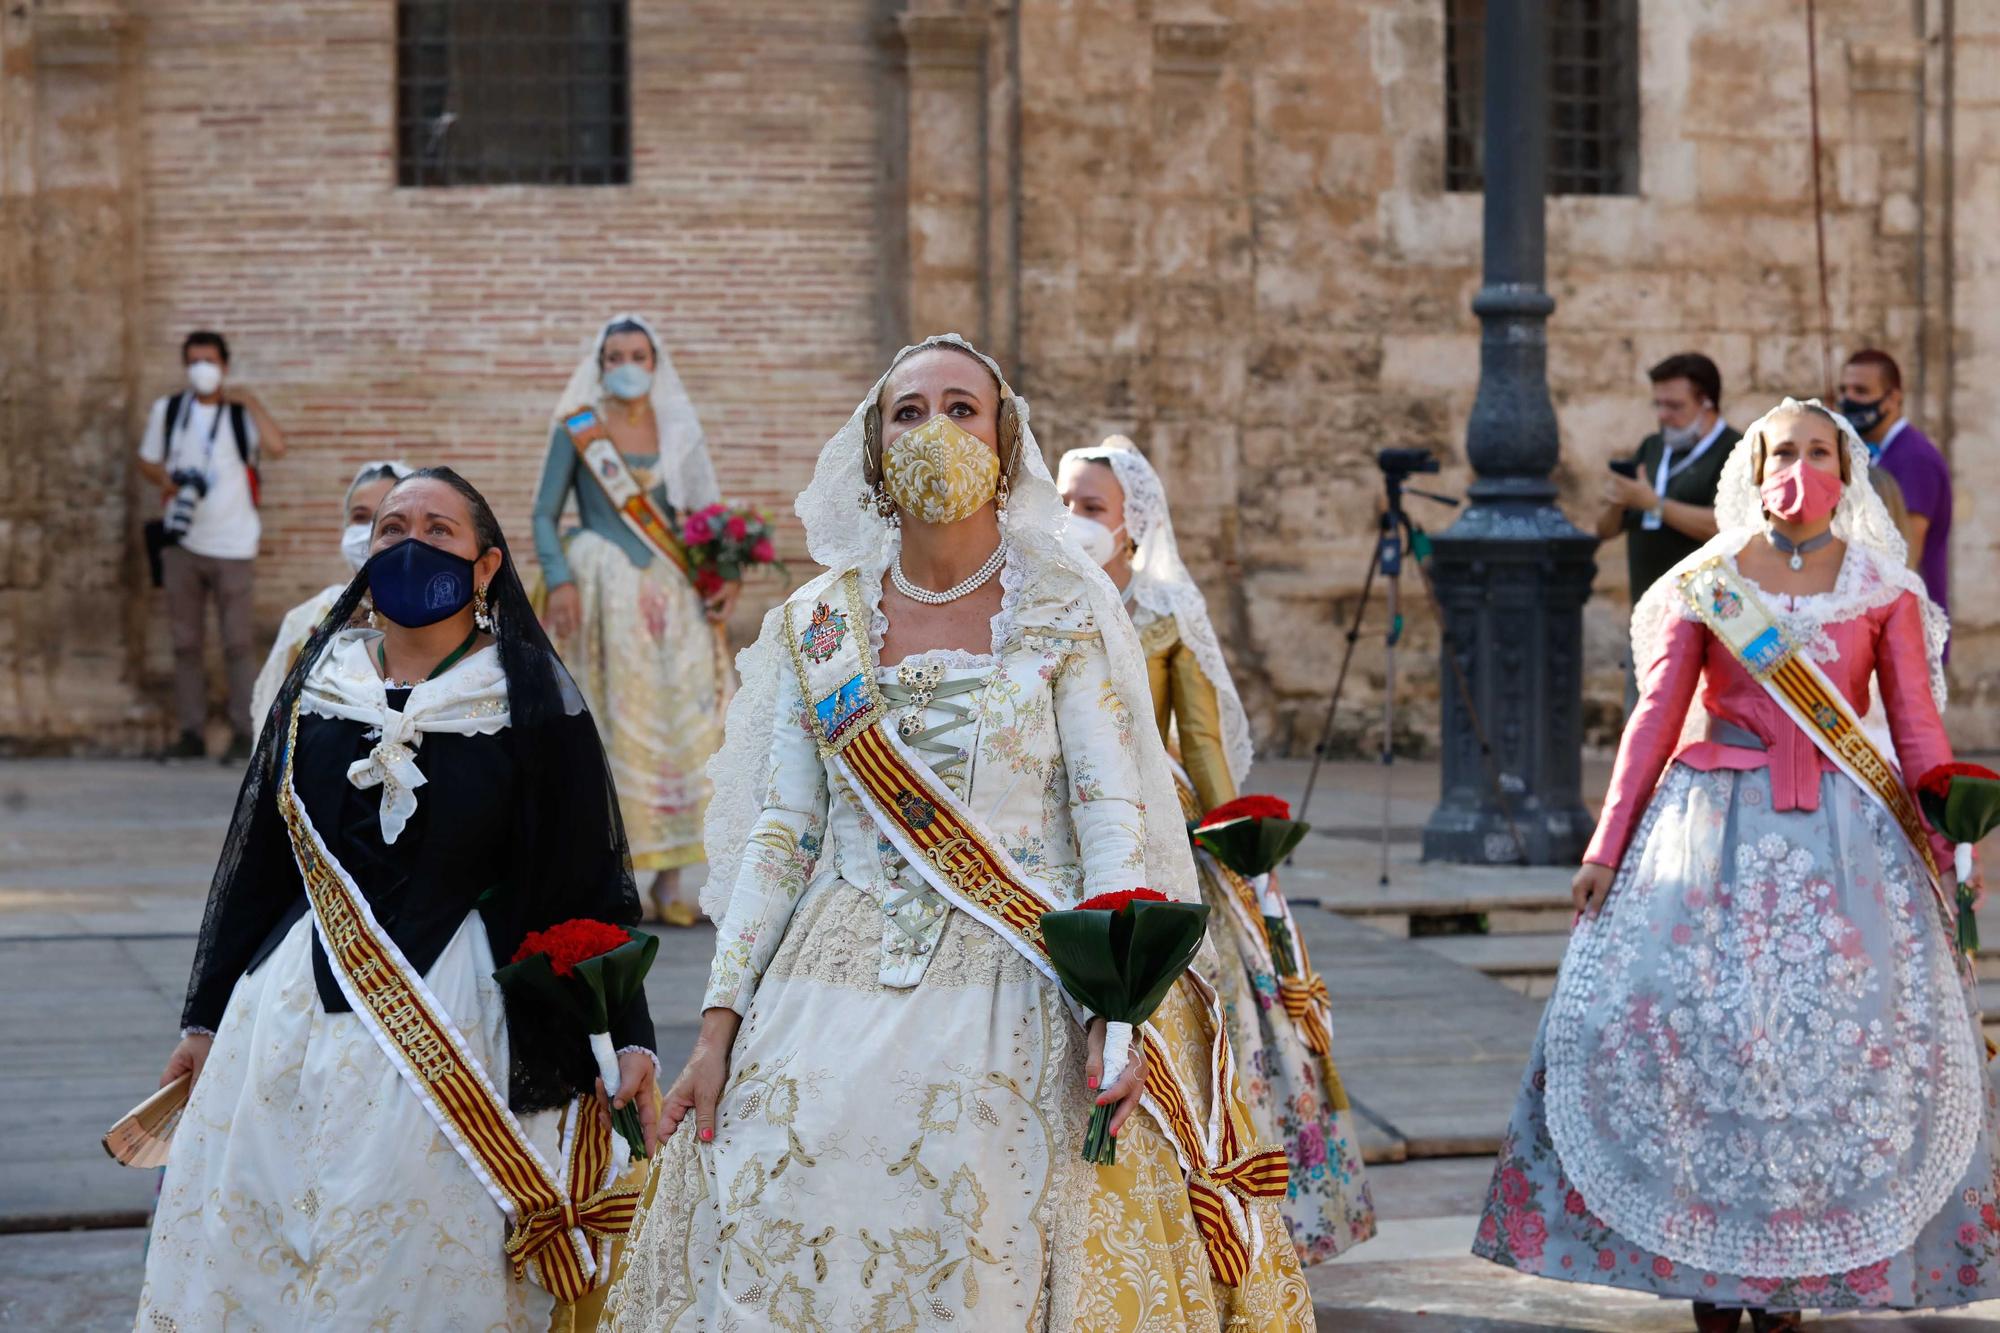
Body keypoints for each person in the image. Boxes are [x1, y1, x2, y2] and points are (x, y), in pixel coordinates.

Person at [601, 336, 1312, 1330]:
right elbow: (782, 834)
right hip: (827, 978)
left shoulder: (1062, 606)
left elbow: (1110, 817)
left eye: (960, 408)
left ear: (1003, 436)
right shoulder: (819, 622)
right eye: (907, 411)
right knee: (784, 1189)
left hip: (1023, 979)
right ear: (874, 449)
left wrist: (1121, 1011)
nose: (934, 428)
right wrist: (717, 1025)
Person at [1473, 400, 1998, 1331]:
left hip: (1844, 851)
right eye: (1782, 451)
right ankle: (1711, 1269)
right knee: (1703, 1047)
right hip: (1709, 838)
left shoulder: (1883, 588)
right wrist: (1605, 846)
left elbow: (1916, 730)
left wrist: (1954, 834)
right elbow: (1655, 720)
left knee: (1814, 1058)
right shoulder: (1709, 581)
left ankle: (1791, 1271)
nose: (1799, 465)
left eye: (1818, 451)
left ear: (1849, 467)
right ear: (1753, 470)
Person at [136, 468, 661, 1331]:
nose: (410, 543)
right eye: (390, 527)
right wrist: (201, 1023)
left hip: (466, 1020)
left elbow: (584, 876)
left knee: (412, 1259)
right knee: (270, 1238)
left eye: (438, 529)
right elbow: (259, 864)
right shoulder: (320, 684)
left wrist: (629, 1032)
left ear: (486, 565)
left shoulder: (531, 696)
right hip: (293, 1016)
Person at [1059, 434, 1376, 1265]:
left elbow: (1199, 743)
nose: (1073, 520)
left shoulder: (1161, 619)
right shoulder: (1045, 605)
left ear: (1133, 525)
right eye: (1062, 503)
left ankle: (1225, 1214)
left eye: (1091, 507)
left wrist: (1242, 855)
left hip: (1161, 846)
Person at [534, 314, 729, 926]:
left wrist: (723, 573)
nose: (626, 364)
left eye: (637, 354)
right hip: (604, 592)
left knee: (685, 724)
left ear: (654, 362)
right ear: (600, 366)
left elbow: (703, 516)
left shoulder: (677, 426)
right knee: (616, 723)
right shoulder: (579, 430)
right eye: (614, 354)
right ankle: (618, 876)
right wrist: (560, 577)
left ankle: (672, 882)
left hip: (674, 597)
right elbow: (545, 515)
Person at [136, 330, 288, 762]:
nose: (200, 368)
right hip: (182, 542)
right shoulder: (169, 412)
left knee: (237, 643)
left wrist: (250, 401)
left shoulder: (241, 417)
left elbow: (277, 447)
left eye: (208, 360)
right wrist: (167, 482)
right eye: (193, 361)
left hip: (234, 543)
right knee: (184, 642)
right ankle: (191, 733)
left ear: (224, 365)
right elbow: (147, 460)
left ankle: (244, 731)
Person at [248, 460, 412, 742]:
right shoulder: (309, 618)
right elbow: (276, 724)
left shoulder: (442, 619)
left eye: (389, 520)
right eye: (361, 517)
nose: (371, 532)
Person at [1839, 348, 1952, 640]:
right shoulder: (1874, 453)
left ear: (1893, 398)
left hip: (1907, 627)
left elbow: (1906, 550)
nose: (1849, 399)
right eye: (1845, 389)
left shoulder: (1913, 458)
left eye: (1861, 391)